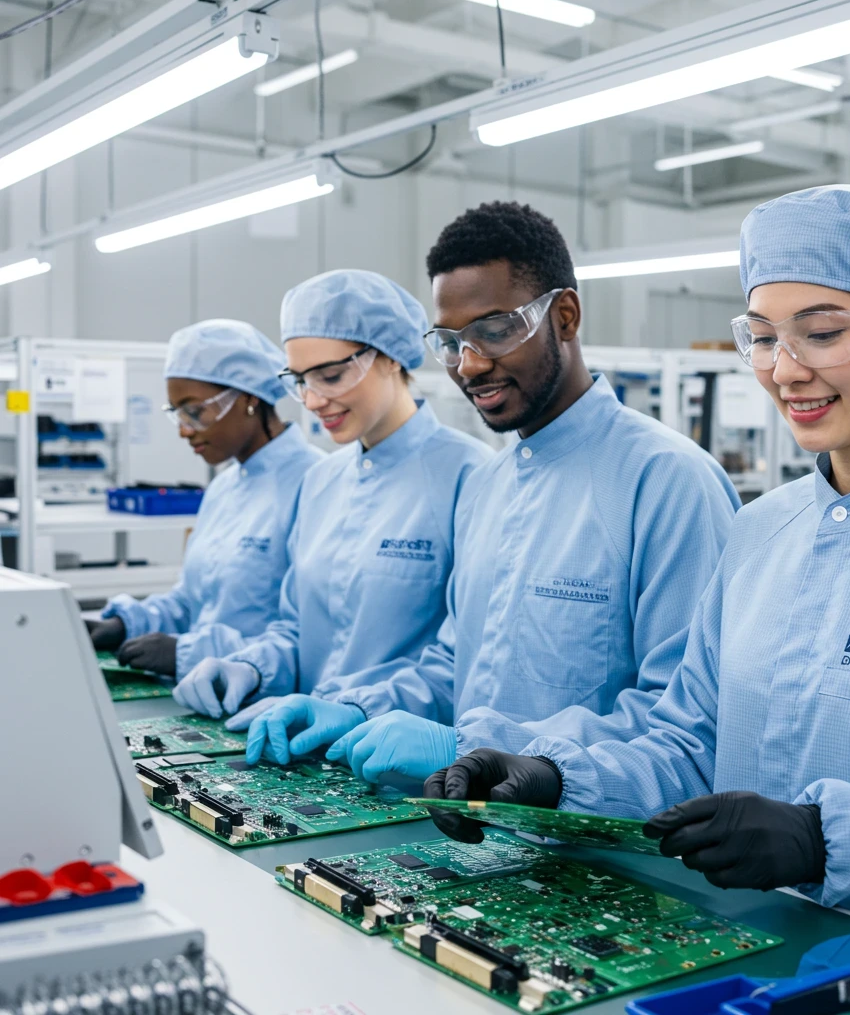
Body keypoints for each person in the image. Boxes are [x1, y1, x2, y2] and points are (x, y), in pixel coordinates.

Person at [423, 186, 850, 949]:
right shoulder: (761, 533)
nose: (785, 370)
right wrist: (553, 777)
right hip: (727, 958)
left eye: (824, 331)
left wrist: (829, 842)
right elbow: (687, 744)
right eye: (765, 337)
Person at [246, 201, 739, 781]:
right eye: (450, 341)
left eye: (495, 331)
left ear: (565, 317)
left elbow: (682, 726)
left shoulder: (667, 482)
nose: (470, 364)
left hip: (601, 850)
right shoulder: (487, 486)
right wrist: (357, 707)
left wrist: (484, 751)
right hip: (473, 831)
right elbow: (456, 667)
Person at [172, 269, 492, 720]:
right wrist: (251, 666)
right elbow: (296, 629)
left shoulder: (471, 476)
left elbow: (464, 661)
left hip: (403, 767)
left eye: (331, 375)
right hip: (305, 755)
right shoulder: (320, 482)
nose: (313, 400)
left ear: (392, 358)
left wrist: (354, 709)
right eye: (300, 380)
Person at [86, 320, 322, 677]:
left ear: (248, 398)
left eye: (194, 411)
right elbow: (192, 600)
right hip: (203, 691)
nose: (184, 429)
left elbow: (312, 633)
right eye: (177, 414)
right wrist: (127, 623)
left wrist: (189, 652)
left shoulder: (318, 484)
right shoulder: (223, 488)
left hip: (272, 700)